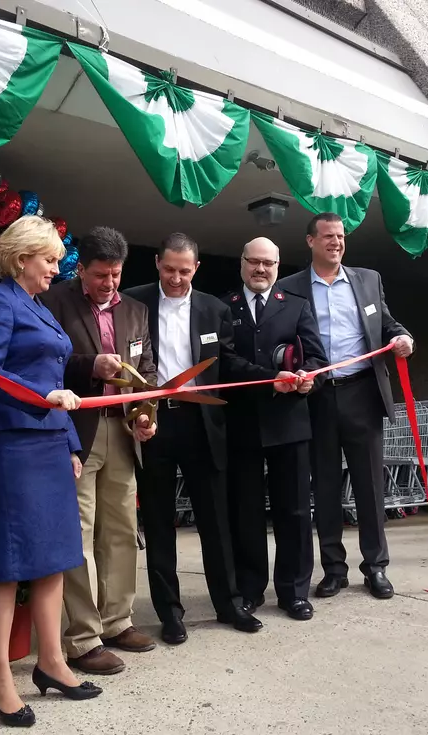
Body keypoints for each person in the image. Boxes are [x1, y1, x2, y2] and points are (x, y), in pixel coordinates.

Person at [0, 216, 103, 728]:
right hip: (13, 445)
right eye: (49, 258)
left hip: (49, 444)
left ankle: (52, 662)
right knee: (8, 564)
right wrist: (40, 399)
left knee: (54, 558)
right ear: (22, 258)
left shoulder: (40, 308)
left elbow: (56, 379)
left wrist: (70, 444)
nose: (56, 267)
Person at [124, 233, 268, 644]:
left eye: (184, 271)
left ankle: (229, 602)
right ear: (156, 263)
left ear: (196, 269)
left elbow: (228, 363)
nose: (176, 278)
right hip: (152, 424)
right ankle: (170, 612)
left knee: (215, 520)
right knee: (158, 519)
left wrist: (271, 377)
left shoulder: (214, 308)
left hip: (203, 423)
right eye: (169, 269)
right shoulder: (135, 302)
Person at [277, 213, 413, 600]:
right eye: (327, 237)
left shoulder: (368, 279)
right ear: (310, 241)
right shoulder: (291, 287)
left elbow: (387, 324)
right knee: (325, 486)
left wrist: (403, 337)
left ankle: (376, 567)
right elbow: (284, 340)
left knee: (370, 486)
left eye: (340, 236)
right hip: (316, 397)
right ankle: (333, 569)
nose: (335, 242)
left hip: (362, 393)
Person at [41, 226, 158, 675]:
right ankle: (84, 637)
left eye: (116, 274)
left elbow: (146, 367)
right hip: (75, 432)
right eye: (100, 275)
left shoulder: (136, 310)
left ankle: (118, 621)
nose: (109, 284)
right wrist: (92, 365)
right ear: (80, 269)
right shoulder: (55, 302)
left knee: (122, 532)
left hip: (122, 432)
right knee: (81, 534)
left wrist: (146, 414)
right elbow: (46, 363)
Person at [222, 237, 327, 621]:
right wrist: (270, 378)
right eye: (254, 262)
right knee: (245, 511)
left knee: (295, 510)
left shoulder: (296, 307)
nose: (260, 269)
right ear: (242, 263)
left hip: (290, 422)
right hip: (243, 422)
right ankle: (249, 590)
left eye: (268, 263)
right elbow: (225, 362)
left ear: (278, 266)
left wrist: (306, 377)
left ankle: (295, 590)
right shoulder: (224, 308)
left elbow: (317, 357)